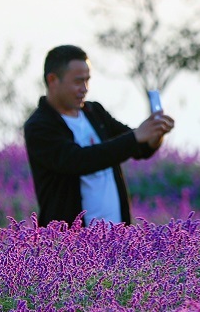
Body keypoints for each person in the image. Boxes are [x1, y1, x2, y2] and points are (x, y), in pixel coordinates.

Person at [24, 45, 174, 227]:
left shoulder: (94, 112)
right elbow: (77, 160)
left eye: (87, 80)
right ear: (53, 80)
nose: (84, 89)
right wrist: (135, 137)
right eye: (78, 82)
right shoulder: (39, 126)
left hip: (117, 233)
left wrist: (155, 134)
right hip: (70, 238)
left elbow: (137, 148)